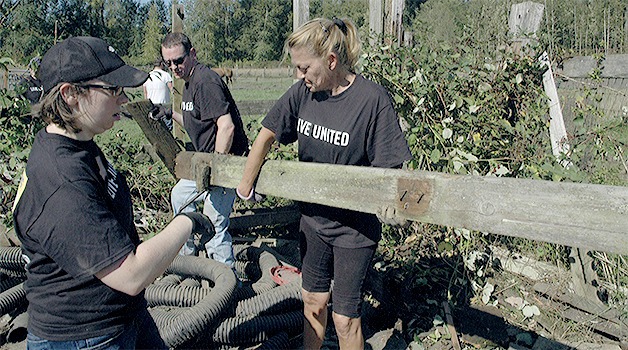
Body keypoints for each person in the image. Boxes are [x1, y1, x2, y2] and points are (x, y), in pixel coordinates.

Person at [11, 36, 215, 349]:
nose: (123, 99)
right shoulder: (62, 181)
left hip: (119, 319)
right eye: (113, 89)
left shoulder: (78, 145)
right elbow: (130, 274)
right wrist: (187, 222)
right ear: (70, 95)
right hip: (85, 336)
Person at [236, 18, 412, 350]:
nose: (299, 75)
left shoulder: (371, 100)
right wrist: (246, 184)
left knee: (345, 319)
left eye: (304, 67)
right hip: (313, 222)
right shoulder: (302, 94)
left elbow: (391, 170)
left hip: (354, 230)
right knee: (313, 305)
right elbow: (268, 133)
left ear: (331, 61)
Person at [158, 32, 249, 270]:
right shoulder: (189, 84)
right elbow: (196, 121)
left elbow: (226, 127)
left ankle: (228, 285)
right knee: (180, 197)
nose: (174, 67)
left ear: (192, 54)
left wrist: (216, 170)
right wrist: (170, 114)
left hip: (225, 164)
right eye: (168, 63)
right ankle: (190, 264)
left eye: (178, 60)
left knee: (214, 221)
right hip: (205, 165)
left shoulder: (205, 81)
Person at [143, 58, 174, 129]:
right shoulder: (166, 75)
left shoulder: (147, 76)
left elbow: (145, 93)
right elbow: (172, 89)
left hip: (152, 107)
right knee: (167, 129)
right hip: (164, 107)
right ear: (162, 64)